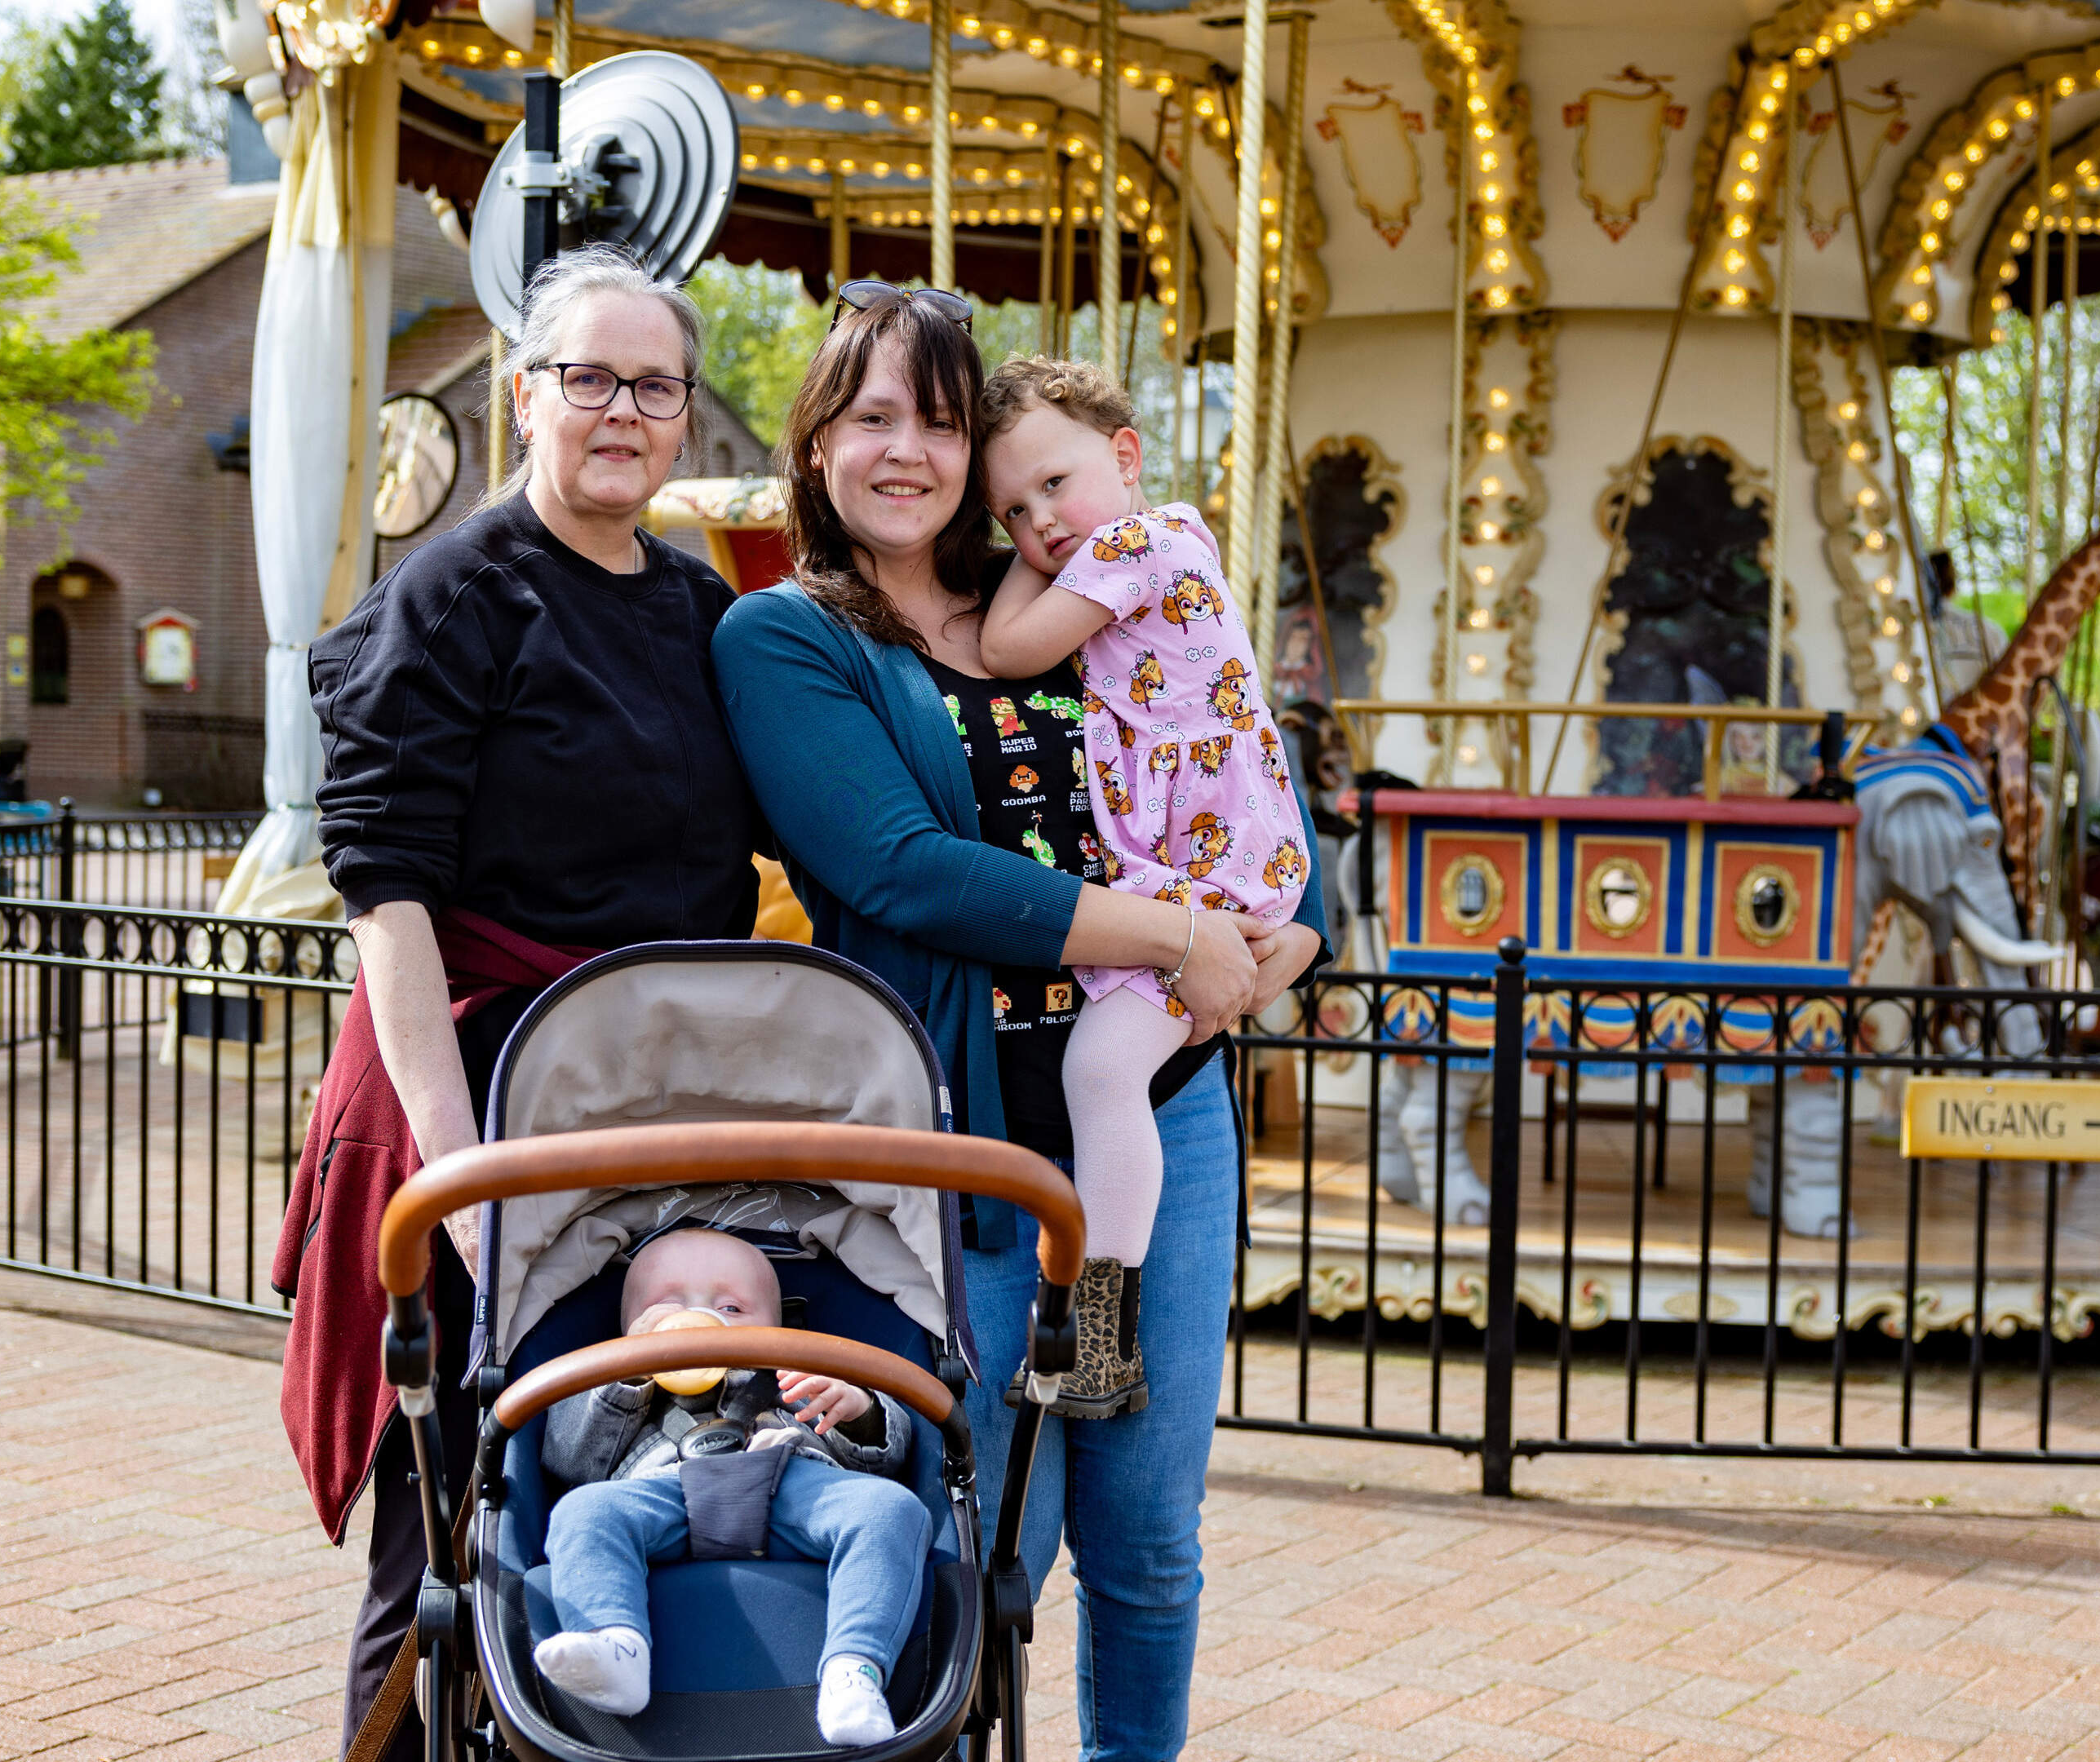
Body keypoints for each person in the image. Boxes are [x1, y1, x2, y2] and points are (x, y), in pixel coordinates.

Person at [710, 280, 1328, 1761]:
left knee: (1149, 1547)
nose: (908, 453)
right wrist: (1186, 936)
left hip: (1158, 1105)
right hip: (964, 1142)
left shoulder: (1065, 591)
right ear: (815, 447)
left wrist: (1287, 935)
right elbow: (904, 872)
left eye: (937, 420)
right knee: (984, 1537)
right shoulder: (788, 639)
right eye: (873, 420)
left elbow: (1229, 747)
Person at [277, 245, 760, 1762]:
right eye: (591, 379)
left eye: (656, 387)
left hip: (632, 1093)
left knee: (633, 1461)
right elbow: (389, 895)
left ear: (684, 418)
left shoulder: (693, 611)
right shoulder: (454, 595)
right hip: (482, 1084)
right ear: (524, 394)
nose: (623, 411)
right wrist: (454, 1167)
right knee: (449, 1517)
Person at [972, 355, 1309, 1415]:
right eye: (1013, 513)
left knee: (1106, 1076)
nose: (1040, 526)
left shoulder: (1135, 544)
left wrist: (1030, 562)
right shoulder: (1161, 542)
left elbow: (1005, 645)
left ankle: (1092, 1333)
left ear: (1126, 457)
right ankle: (1090, 1329)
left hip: (1202, 870)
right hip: (1198, 860)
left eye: (1053, 486)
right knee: (1107, 1074)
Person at [534, 1229, 928, 1747]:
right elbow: (570, 1458)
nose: (706, 1321)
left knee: (892, 1510)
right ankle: (615, 1646)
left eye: (733, 1308)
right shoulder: (615, 1384)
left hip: (794, 1483)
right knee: (581, 1513)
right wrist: (628, 1372)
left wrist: (860, 1410)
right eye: (668, 1306)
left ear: (780, 1325)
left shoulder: (803, 1371)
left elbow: (889, 1458)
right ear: (627, 1327)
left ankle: (855, 1672)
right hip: (661, 1490)